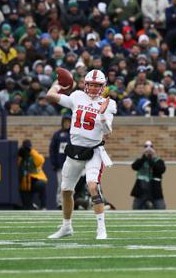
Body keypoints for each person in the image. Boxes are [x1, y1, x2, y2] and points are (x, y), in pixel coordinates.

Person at [46, 69, 116, 240]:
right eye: (91, 84)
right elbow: (50, 95)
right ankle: (66, 227)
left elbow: (108, 133)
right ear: (85, 84)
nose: (93, 88)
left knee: (92, 186)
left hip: (94, 151)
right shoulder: (77, 96)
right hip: (75, 150)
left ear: (103, 86)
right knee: (66, 190)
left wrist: (102, 116)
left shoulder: (108, 103)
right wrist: (59, 84)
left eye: (97, 85)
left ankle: (101, 229)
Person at [130, 140, 166, 209]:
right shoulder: (141, 160)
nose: (148, 149)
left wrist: (151, 159)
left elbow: (161, 170)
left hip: (155, 190)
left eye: (151, 147)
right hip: (141, 190)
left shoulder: (158, 161)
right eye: (146, 147)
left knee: (160, 207)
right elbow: (134, 167)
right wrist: (144, 157)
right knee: (136, 208)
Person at [49, 114, 72, 208]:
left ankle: (71, 202)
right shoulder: (57, 134)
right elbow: (52, 149)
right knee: (61, 184)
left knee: (72, 185)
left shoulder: (74, 134)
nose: (67, 124)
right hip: (61, 164)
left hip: (73, 164)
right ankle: (60, 203)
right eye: (65, 122)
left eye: (69, 122)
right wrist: (54, 163)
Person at [18, 139, 47, 210]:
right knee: (27, 206)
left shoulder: (34, 155)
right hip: (25, 182)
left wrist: (31, 151)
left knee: (41, 185)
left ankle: (43, 206)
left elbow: (40, 160)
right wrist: (20, 154)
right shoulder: (21, 157)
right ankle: (31, 205)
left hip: (35, 180)